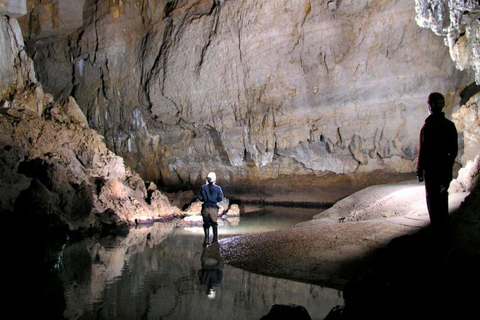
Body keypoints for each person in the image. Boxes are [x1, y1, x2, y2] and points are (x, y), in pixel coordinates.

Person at [416, 92, 458, 228]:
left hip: (431, 169)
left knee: (432, 198)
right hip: (445, 167)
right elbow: (454, 149)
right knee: (443, 195)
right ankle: (444, 225)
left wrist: (420, 169)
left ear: (430, 106)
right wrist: (449, 163)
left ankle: (436, 228)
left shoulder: (427, 127)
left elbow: (423, 150)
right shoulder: (449, 125)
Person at [198, 172, 224, 246]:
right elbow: (220, 198)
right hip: (213, 208)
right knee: (214, 224)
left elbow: (199, 197)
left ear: (207, 179)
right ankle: (215, 240)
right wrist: (215, 200)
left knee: (206, 224)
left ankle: (206, 240)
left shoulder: (203, 187)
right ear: (214, 179)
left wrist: (204, 199)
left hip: (205, 207)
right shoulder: (218, 188)